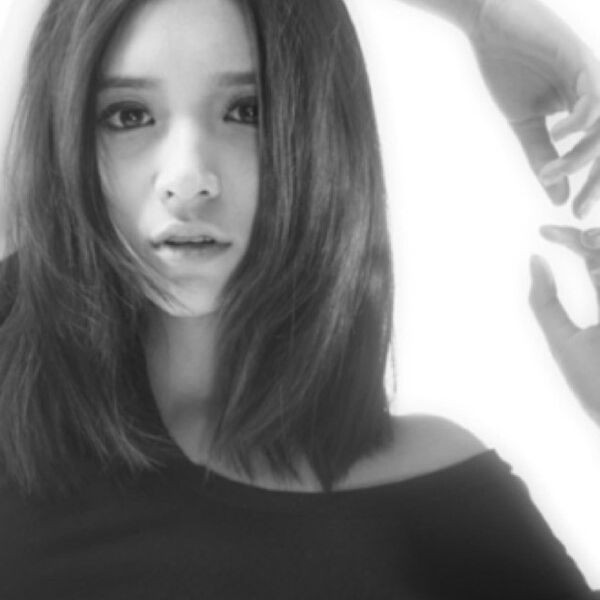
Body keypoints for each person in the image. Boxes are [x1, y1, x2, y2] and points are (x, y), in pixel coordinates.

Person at [0, 0, 598, 598]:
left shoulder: (434, 498)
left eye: (248, 111)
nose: (187, 178)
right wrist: (481, 13)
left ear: (325, 135)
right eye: (129, 115)